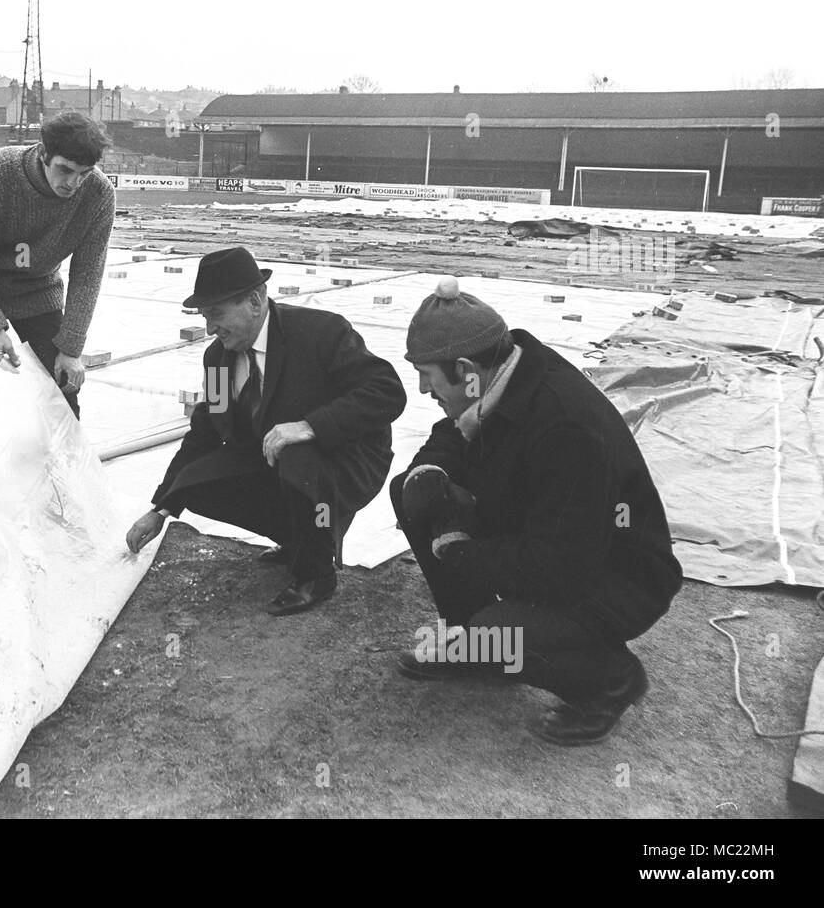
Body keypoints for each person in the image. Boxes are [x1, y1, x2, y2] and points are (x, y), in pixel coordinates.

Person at [388, 275, 682, 744]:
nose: (424, 389)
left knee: (499, 632)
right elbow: (451, 433)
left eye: (427, 374)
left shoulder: (565, 426)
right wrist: (432, 473)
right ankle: (474, 646)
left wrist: (462, 552)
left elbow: (559, 566)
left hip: (615, 574)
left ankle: (610, 680)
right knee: (412, 489)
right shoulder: (500, 376)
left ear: (465, 369)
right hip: (546, 535)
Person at [126, 247, 407, 616]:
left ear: (256, 301)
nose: (211, 329)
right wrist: (161, 510)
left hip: (345, 458)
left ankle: (316, 573)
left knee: (294, 453)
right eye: (205, 317)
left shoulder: (321, 332)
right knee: (195, 481)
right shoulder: (217, 360)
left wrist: (310, 427)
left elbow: (387, 393)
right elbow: (205, 432)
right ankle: (297, 540)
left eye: (217, 315)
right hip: (277, 458)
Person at [0, 110, 116, 440]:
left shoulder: (98, 195)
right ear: (44, 153)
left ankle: (67, 476)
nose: (73, 183)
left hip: (34, 284)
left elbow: (87, 273)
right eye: (65, 170)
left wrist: (71, 348)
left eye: (84, 173)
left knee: (63, 383)